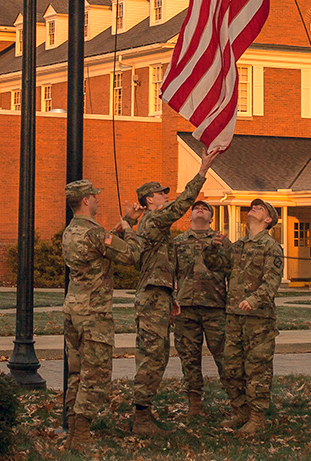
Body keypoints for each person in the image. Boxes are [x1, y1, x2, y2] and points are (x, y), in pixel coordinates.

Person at [125, 147, 220, 436]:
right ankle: (141, 417)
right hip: (152, 297)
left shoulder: (154, 225)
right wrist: (202, 170)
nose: (166, 196)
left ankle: (144, 413)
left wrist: (170, 297)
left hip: (159, 296)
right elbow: (181, 206)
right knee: (153, 355)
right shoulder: (155, 219)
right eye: (161, 193)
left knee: (156, 355)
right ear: (150, 200)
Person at [61, 179, 141, 453]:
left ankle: (73, 432)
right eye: (94, 196)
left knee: (76, 373)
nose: (97, 199)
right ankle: (82, 435)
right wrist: (129, 230)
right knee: (94, 375)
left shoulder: (71, 231)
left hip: (73, 309)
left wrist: (119, 225)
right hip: (95, 313)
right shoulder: (95, 234)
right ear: (85, 200)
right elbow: (130, 256)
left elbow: (99, 245)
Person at [202, 199, 284, 437]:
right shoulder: (239, 246)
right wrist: (212, 246)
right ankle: (240, 411)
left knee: (257, 369)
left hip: (258, 318)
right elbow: (215, 264)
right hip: (234, 317)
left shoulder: (271, 247)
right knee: (231, 367)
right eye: (253, 206)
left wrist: (254, 300)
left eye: (261, 208)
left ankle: (257, 418)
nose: (254, 208)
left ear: (268, 220)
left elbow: (271, 282)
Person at [171, 199, 228, 417]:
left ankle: (237, 403)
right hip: (186, 308)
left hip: (215, 306)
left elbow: (231, 272)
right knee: (189, 358)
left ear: (211, 217)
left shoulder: (222, 241)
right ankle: (194, 405)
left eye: (205, 208)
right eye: (196, 208)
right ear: (190, 216)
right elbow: (171, 272)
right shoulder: (178, 243)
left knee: (224, 356)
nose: (200, 210)